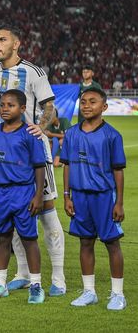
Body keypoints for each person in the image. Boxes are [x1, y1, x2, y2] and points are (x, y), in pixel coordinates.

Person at [0, 26, 66, 296]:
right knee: (13, 217)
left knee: (45, 212)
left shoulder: (33, 71)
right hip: (4, 156)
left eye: (2, 39)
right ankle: (22, 273)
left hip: (32, 153)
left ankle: (58, 278)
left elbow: (49, 105)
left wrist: (41, 128)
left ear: (17, 44)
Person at [0, 90, 46, 304]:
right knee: (2, 237)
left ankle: (35, 285)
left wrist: (38, 195)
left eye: (11, 105)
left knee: (29, 240)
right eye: (2, 105)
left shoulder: (30, 134)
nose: (5, 109)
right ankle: (0, 283)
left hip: (23, 192)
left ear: (23, 109)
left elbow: (39, 166)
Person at [61, 88, 126, 310]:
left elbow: (118, 170)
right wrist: (67, 195)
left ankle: (118, 294)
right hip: (79, 197)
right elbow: (67, 165)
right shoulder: (71, 134)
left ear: (104, 107)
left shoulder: (112, 135)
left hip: (104, 197)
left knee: (112, 243)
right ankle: (89, 291)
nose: (86, 105)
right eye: (83, 102)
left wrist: (119, 202)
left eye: (92, 102)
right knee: (85, 242)